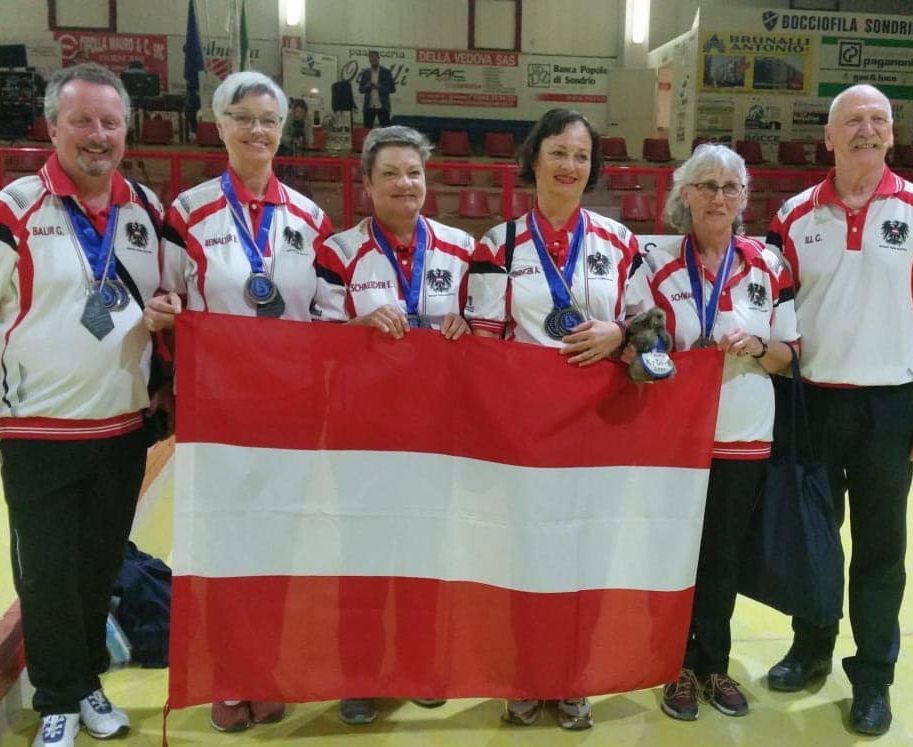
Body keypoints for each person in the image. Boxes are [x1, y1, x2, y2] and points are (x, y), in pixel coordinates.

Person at [764, 84, 913, 736]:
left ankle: (873, 676)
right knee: (814, 542)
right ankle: (812, 648)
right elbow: (770, 309)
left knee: (881, 549)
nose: (867, 129)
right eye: (853, 120)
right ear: (828, 137)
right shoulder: (793, 216)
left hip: (887, 409)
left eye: (879, 120)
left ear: (892, 134)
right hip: (811, 402)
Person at [142, 70, 338, 733]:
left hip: (287, 412)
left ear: (283, 132)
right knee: (222, 543)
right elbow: (165, 300)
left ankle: (267, 667)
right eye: (243, 117)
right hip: (217, 412)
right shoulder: (187, 212)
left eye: (269, 120)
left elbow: (326, 315)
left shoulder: (311, 218)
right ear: (219, 125)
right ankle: (228, 674)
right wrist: (167, 313)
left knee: (278, 543)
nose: (257, 130)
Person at [0, 62, 167, 747]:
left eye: (109, 122)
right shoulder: (13, 207)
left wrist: (170, 310)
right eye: (82, 121)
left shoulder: (147, 210)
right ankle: (58, 698)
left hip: (121, 428)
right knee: (45, 571)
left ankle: (89, 681)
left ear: (125, 129)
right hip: (36, 428)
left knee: (99, 565)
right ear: (52, 127)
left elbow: (178, 297)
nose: (96, 135)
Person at [466, 108, 639, 731]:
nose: (570, 166)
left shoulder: (620, 244)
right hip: (525, 435)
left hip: (599, 428)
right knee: (524, 555)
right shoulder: (497, 245)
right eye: (559, 153)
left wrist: (621, 332)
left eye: (582, 156)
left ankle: (574, 676)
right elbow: (485, 347)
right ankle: (523, 673)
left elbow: (655, 330)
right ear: (534, 158)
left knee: (585, 554)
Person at [625, 143, 799, 722]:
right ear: (684, 196)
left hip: (744, 433)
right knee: (672, 554)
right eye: (705, 186)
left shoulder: (769, 265)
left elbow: (789, 357)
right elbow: (638, 343)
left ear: (745, 198)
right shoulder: (653, 261)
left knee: (723, 557)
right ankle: (670, 664)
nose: (718, 197)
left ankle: (713, 663)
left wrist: (755, 346)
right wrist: (668, 355)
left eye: (729, 187)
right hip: (674, 438)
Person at [321, 125, 475, 725]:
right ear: (367, 184)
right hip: (360, 433)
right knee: (361, 556)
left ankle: (417, 663)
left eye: (413, 172)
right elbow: (314, 342)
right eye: (390, 174)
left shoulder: (463, 250)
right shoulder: (337, 252)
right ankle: (359, 674)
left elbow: (485, 333)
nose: (405, 183)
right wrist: (355, 329)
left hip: (436, 434)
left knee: (426, 554)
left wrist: (464, 327)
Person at [358, 50, 396, 129]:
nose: (373, 61)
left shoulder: (386, 72)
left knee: (385, 130)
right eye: (371, 60)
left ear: (379, 58)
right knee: (367, 130)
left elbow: (392, 89)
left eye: (375, 59)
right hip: (369, 106)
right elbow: (361, 90)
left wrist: (379, 86)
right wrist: (368, 85)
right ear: (369, 60)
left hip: (383, 106)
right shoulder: (365, 72)